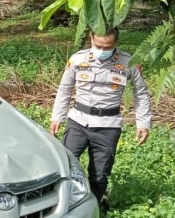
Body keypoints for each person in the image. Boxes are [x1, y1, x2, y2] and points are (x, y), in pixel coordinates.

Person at [50, 28, 152, 208]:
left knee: (99, 175)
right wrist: (57, 116)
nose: (102, 50)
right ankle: (62, 206)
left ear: (116, 43)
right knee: (65, 166)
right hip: (78, 121)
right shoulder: (77, 59)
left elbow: (141, 93)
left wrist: (143, 123)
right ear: (90, 38)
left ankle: (93, 210)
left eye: (107, 47)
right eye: (98, 45)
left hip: (108, 126)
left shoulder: (129, 63)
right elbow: (65, 89)